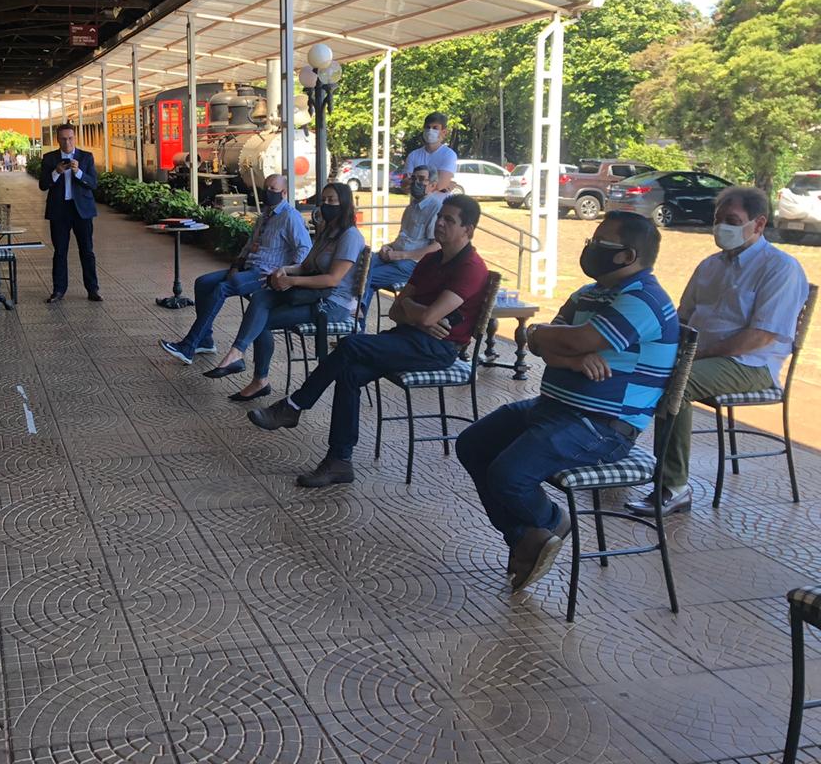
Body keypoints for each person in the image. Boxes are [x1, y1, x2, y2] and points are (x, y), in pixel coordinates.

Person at [456, 212, 678, 592]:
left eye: (598, 242)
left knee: (508, 475)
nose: (589, 248)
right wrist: (569, 351)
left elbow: (570, 339)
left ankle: (551, 520)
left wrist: (566, 343)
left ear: (627, 255)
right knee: (473, 444)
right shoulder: (588, 294)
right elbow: (538, 340)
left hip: (602, 427)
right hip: (554, 410)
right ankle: (528, 536)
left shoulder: (644, 300)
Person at [248, 196, 492, 487]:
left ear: (469, 230)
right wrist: (417, 312)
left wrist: (413, 311)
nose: (439, 222)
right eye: (440, 216)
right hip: (407, 338)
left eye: (449, 220)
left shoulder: (472, 268)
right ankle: (339, 461)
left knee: (351, 345)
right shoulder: (430, 259)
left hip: (438, 349)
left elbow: (423, 316)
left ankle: (294, 406)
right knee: (349, 374)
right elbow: (396, 309)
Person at [625, 186, 809, 517]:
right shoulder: (710, 265)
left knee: (675, 382)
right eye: (717, 219)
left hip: (750, 365)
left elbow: (760, 337)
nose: (721, 227)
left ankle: (673, 486)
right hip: (699, 354)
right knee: (629, 363)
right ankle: (612, 453)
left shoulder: (780, 268)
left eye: (732, 220)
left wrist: (694, 356)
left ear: (759, 223)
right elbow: (682, 317)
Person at [204, 183, 365, 401]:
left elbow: (333, 279)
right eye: (324, 199)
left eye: (332, 201)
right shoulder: (327, 232)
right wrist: (283, 270)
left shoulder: (350, 236)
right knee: (261, 296)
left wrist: (291, 280)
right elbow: (306, 266)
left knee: (262, 320)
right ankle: (237, 354)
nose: (326, 204)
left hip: (332, 303)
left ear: (344, 204)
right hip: (310, 292)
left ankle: (258, 378)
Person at [160, 174, 311, 375]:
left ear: (284, 193)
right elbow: (249, 245)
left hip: (265, 274)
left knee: (222, 288)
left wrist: (285, 273)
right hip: (248, 268)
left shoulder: (290, 216)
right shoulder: (265, 215)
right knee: (203, 283)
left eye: (273, 189)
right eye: (266, 187)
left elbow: (305, 249)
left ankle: (189, 345)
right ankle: (206, 340)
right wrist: (235, 265)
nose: (268, 192)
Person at [360, 164, 444, 323]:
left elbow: (436, 247)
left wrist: (400, 255)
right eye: (414, 178)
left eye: (421, 179)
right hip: (394, 257)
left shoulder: (435, 208)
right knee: (361, 263)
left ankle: (357, 325)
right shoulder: (411, 207)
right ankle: (354, 318)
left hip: (412, 264)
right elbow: (405, 239)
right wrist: (388, 247)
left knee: (366, 278)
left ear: (432, 185)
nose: (415, 183)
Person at [39, 122, 100, 302]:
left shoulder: (86, 157)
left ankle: (93, 289)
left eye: (70, 138)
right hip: (59, 210)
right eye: (63, 139)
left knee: (87, 251)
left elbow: (93, 184)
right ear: (58, 140)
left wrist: (78, 172)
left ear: (75, 138)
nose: (67, 142)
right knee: (60, 251)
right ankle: (58, 290)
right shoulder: (49, 158)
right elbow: (43, 185)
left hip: (82, 210)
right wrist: (56, 172)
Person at [405, 112, 457, 191]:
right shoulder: (413, 155)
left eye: (435, 128)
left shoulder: (449, 155)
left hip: (439, 203)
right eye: (427, 127)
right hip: (417, 203)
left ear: (444, 132)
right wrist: (440, 185)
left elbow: (440, 185)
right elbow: (405, 186)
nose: (430, 131)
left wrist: (416, 182)